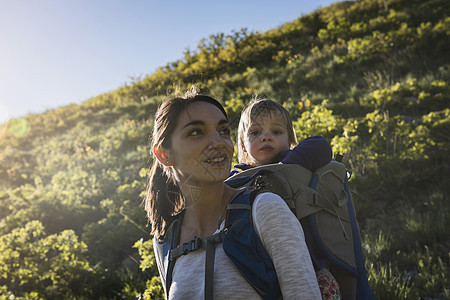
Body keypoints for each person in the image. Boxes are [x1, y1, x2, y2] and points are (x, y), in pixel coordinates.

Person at [143, 93, 321, 299]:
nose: (218, 142)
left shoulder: (265, 210)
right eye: (196, 132)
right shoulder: (166, 241)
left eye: (223, 131)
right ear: (164, 154)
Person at [233, 98, 341, 299]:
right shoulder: (238, 175)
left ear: (290, 140)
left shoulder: (294, 163)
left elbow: (321, 145)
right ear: (243, 144)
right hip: (255, 268)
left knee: (326, 287)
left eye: (276, 132)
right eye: (255, 133)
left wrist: (283, 165)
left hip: (307, 262)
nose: (266, 137)